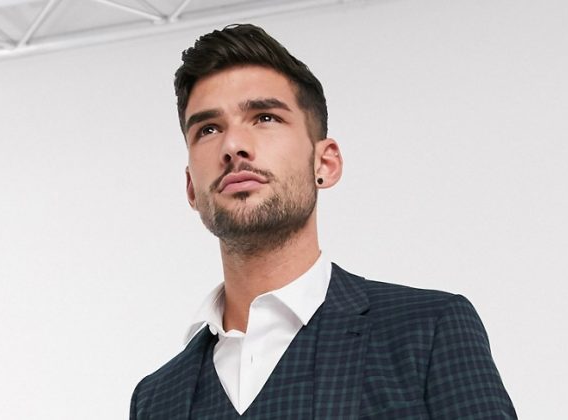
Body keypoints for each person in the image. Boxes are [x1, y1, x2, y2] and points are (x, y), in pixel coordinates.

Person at [130, 23, 516, 419]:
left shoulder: (427, 331)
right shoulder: (155, 399)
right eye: (208, 129)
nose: (233, 146)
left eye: (265, 117)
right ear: (192, 188)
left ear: (325, 164)